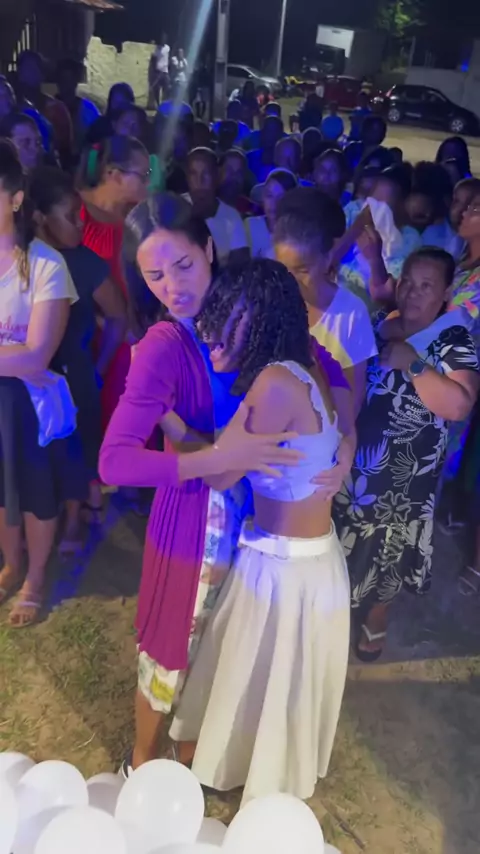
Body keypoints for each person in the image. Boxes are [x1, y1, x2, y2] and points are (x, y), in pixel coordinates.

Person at [98, 195, 312, 775]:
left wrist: (342, 432)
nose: (173, 286)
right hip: (198, 524)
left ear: (209, 248)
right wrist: (215, 457)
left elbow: (311, 356)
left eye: (184, 264)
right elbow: (114, 462)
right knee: (173, 650)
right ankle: (142, 763)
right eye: (155, 275)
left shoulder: (247, 305)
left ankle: (196, 756)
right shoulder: (163, 346)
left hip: (263, 525)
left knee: (228, 648)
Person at [169, 259, 351, 805]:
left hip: (285, 569)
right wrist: (344, 447)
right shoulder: (304, 367)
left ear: (263, 319)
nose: (216, 331)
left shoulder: (274, 384)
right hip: (308, 562)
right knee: (269, 687)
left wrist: (165, 418)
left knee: (253, 679)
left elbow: (218, 473)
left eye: (231, 317)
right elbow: (342, 422)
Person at [333, 247, 479, 660]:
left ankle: (376, 614)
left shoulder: (453, 339)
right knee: (346, 541)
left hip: (405, 480)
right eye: (409, 282)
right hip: (357, 466)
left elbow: (459, 405)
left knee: (390, 553)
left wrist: (413, 365)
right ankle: (337, 605)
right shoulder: (383, 322)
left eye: (426, 285)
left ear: (446, 292)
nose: (413, 292)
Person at [0, 142, 83, 625]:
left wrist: (17, 358)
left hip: (29, 404)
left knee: (35, 491)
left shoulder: (46, 264)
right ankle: (12, 564)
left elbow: (36, 356)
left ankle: (34, 576)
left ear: (15, 199)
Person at [29, 165, 127, 550]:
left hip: (76, 373)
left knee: (78, 445)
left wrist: (99, 366)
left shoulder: (85, 263)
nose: (81, 224)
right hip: (32, 374)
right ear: (39, 219)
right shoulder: (22, 258)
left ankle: (73, 519)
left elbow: (118, 315)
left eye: (79, 214)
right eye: (70, 216)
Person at [274, 187, 377, 413]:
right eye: (284, 270)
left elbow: (353, 399)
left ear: (327, 258)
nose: (291, 280)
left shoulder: (351, 313)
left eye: (302, 270)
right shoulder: (269, 303)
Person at [78, 135, 150, 447]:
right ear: (114, 175)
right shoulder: (75, 210)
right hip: (81, 324)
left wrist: (132, 328)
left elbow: (126, 281)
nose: (148, 183)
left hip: (118, 330)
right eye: (143, 175)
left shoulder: (129, 220)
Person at [185, 147, 248, 266]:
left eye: (206, 173)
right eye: (193, 174)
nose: (200, 180)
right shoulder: (175, 209)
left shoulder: (232, 216)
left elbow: (240, 266)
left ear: (217, 175)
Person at [15, 50, 73, 169]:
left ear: (42, 75)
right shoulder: (13, 108)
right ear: (19, 73)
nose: (30, 73)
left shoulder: (57, 108)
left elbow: (65, 149)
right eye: (26, 68)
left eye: (34, 68)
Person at [246, 169, 297, 260]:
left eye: (281, 197)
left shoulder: (299, 233)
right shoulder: (250, 226)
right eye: (269, 196)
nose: (274, 203)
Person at [55, 58, 100, 155]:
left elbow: (97, 143)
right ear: (58, 82)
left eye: (70, 80)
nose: (67, 85)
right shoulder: (49, 107)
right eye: (64, 80)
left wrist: (91, 162)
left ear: (76, 82)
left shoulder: (89, 109)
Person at [84, 83, 135, 147]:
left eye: (122, 103)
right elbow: (90, 149)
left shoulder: (135, 127)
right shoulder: (99, 126)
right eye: (115, 102)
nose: (118, 107)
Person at [246, 115, 284, 183]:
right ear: (262, 133)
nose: (270, 135)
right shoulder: (249, 158)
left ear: (281, 134)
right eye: (267, 130)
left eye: (274, 131)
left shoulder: (284, 163)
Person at [218, 149, 256, 216]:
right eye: (229, 170)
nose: (234, 176)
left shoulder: (253, 210)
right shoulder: (205, 206)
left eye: (239, 172)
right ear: (218, 171)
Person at [149, 33, 170, 107]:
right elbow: (153, 60)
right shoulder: (156, 49)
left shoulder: (167, 48)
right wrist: (154, 70)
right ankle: (158, 104)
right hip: (158, 71)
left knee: (166, 88)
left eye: (164, 38)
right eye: (162, 38)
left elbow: (167, 57)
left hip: (165, 71)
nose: (163, 40)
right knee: (156, 89)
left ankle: (164, 103)